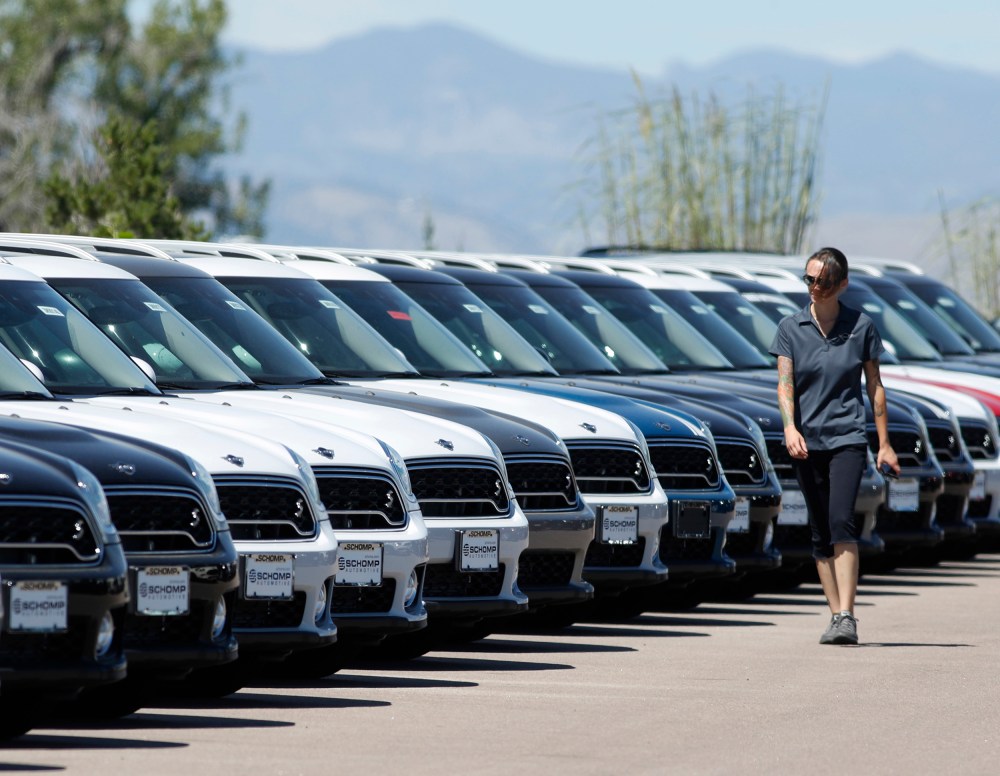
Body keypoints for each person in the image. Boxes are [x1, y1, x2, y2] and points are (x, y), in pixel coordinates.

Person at [769, 247, 900, 645]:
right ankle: (834, 616)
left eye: (823, 282)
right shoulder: (790, 329)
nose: (814, 288)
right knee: (820, 531)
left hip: (847, 438)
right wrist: (790, 428)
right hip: (806, 443)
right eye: (808, 279)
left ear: (842, 284)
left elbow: (875, 387)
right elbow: (785, 384)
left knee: (842, 520)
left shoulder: (861, 327)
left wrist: (884, 444)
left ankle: (847, 615)